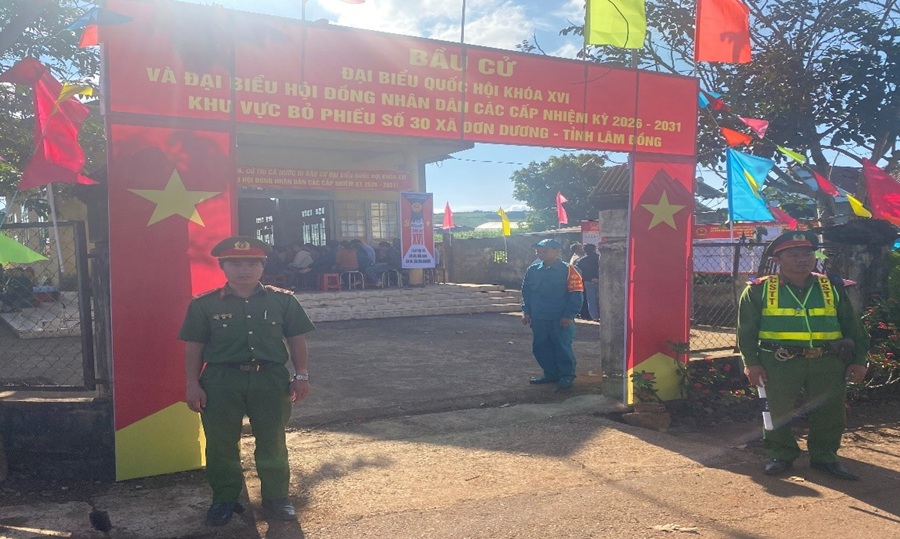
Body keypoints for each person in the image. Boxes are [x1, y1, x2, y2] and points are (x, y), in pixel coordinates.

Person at [179, 236, 316, 526]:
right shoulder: (204, 305)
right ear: (223, 267)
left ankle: (276, 498)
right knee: (220, 443)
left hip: (270, 379)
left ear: (262, 267)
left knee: (272, 440)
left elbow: (297, 338)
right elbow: (194, 347)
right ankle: (224, 498)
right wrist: (193, 384)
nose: (244, 269)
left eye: (252, 263)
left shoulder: (283, 301)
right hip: (221, 380)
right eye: (235, 263)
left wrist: (301, 375)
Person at [737, 231, 870, 481]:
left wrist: (859, 360)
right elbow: (746, 332)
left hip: (827, 361)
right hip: (779, 361)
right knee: (777, 410)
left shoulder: (831, 286)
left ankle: (825, 457)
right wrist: (751, 363)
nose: (802, 259)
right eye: (794, 255)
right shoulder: (759, 290)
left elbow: (853, 327)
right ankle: (781, 454)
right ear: (777, 260)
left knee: (830, 411)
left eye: (807, 254)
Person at [521, 238, 584, 391]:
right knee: (540, 347)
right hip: (539, 317)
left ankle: (566, 376)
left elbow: (576, 294)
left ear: (556, 252)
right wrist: (526, 311)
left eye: (544, 250)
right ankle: (550, 374)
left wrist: (569, 315)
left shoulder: (569, 270)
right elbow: (526, 292)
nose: (540, 253)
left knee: (562, 347)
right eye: (538, 251)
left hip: (560, 318)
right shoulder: (533, 270)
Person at [575, 243, 600, 322]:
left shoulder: (581, 260)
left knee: (591, 300)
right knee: (603, 299)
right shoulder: (600, 258)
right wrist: (598, 278)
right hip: (600, 281)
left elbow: (578, 272)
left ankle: (595, 317)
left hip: (588, 281)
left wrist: (588, 278)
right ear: (594, 249)